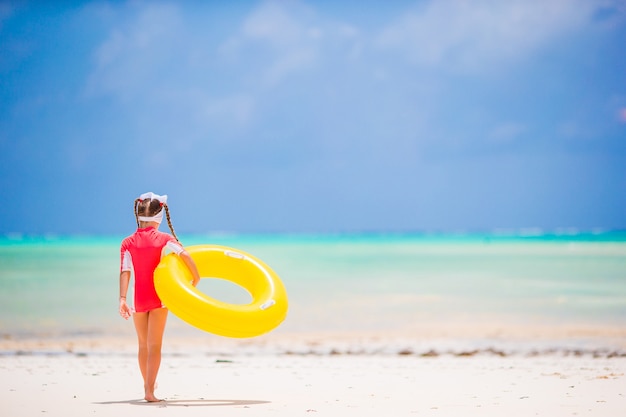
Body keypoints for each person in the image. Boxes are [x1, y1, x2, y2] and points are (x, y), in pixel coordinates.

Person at [118, 192, 200, 402]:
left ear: (138, 215)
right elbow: (185, 255)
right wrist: (195, 277)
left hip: (138, 299)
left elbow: (125, 270)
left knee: (143, 345)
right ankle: (149, 391)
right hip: (159, 298)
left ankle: (149, 384)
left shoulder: (127, 242)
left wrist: (122, 299)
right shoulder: (165, 239)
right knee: (155, 346)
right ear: (159, 217)